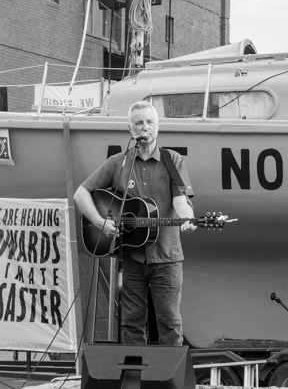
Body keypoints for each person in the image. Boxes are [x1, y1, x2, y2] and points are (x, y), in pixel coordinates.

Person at [73, 100, 196, 345]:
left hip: (167, 258)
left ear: (158, 126)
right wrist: (99, 222)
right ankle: (134, 378)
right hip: (131, 257)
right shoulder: (119, 163)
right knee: (131, 322)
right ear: (131, 130)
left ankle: (168, 381)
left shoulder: (173, 160)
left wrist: (187, 218)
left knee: (169, 322)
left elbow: (181, 200)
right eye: (139, 123)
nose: (145, 127)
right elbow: (81, 193)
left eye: (150, 122)